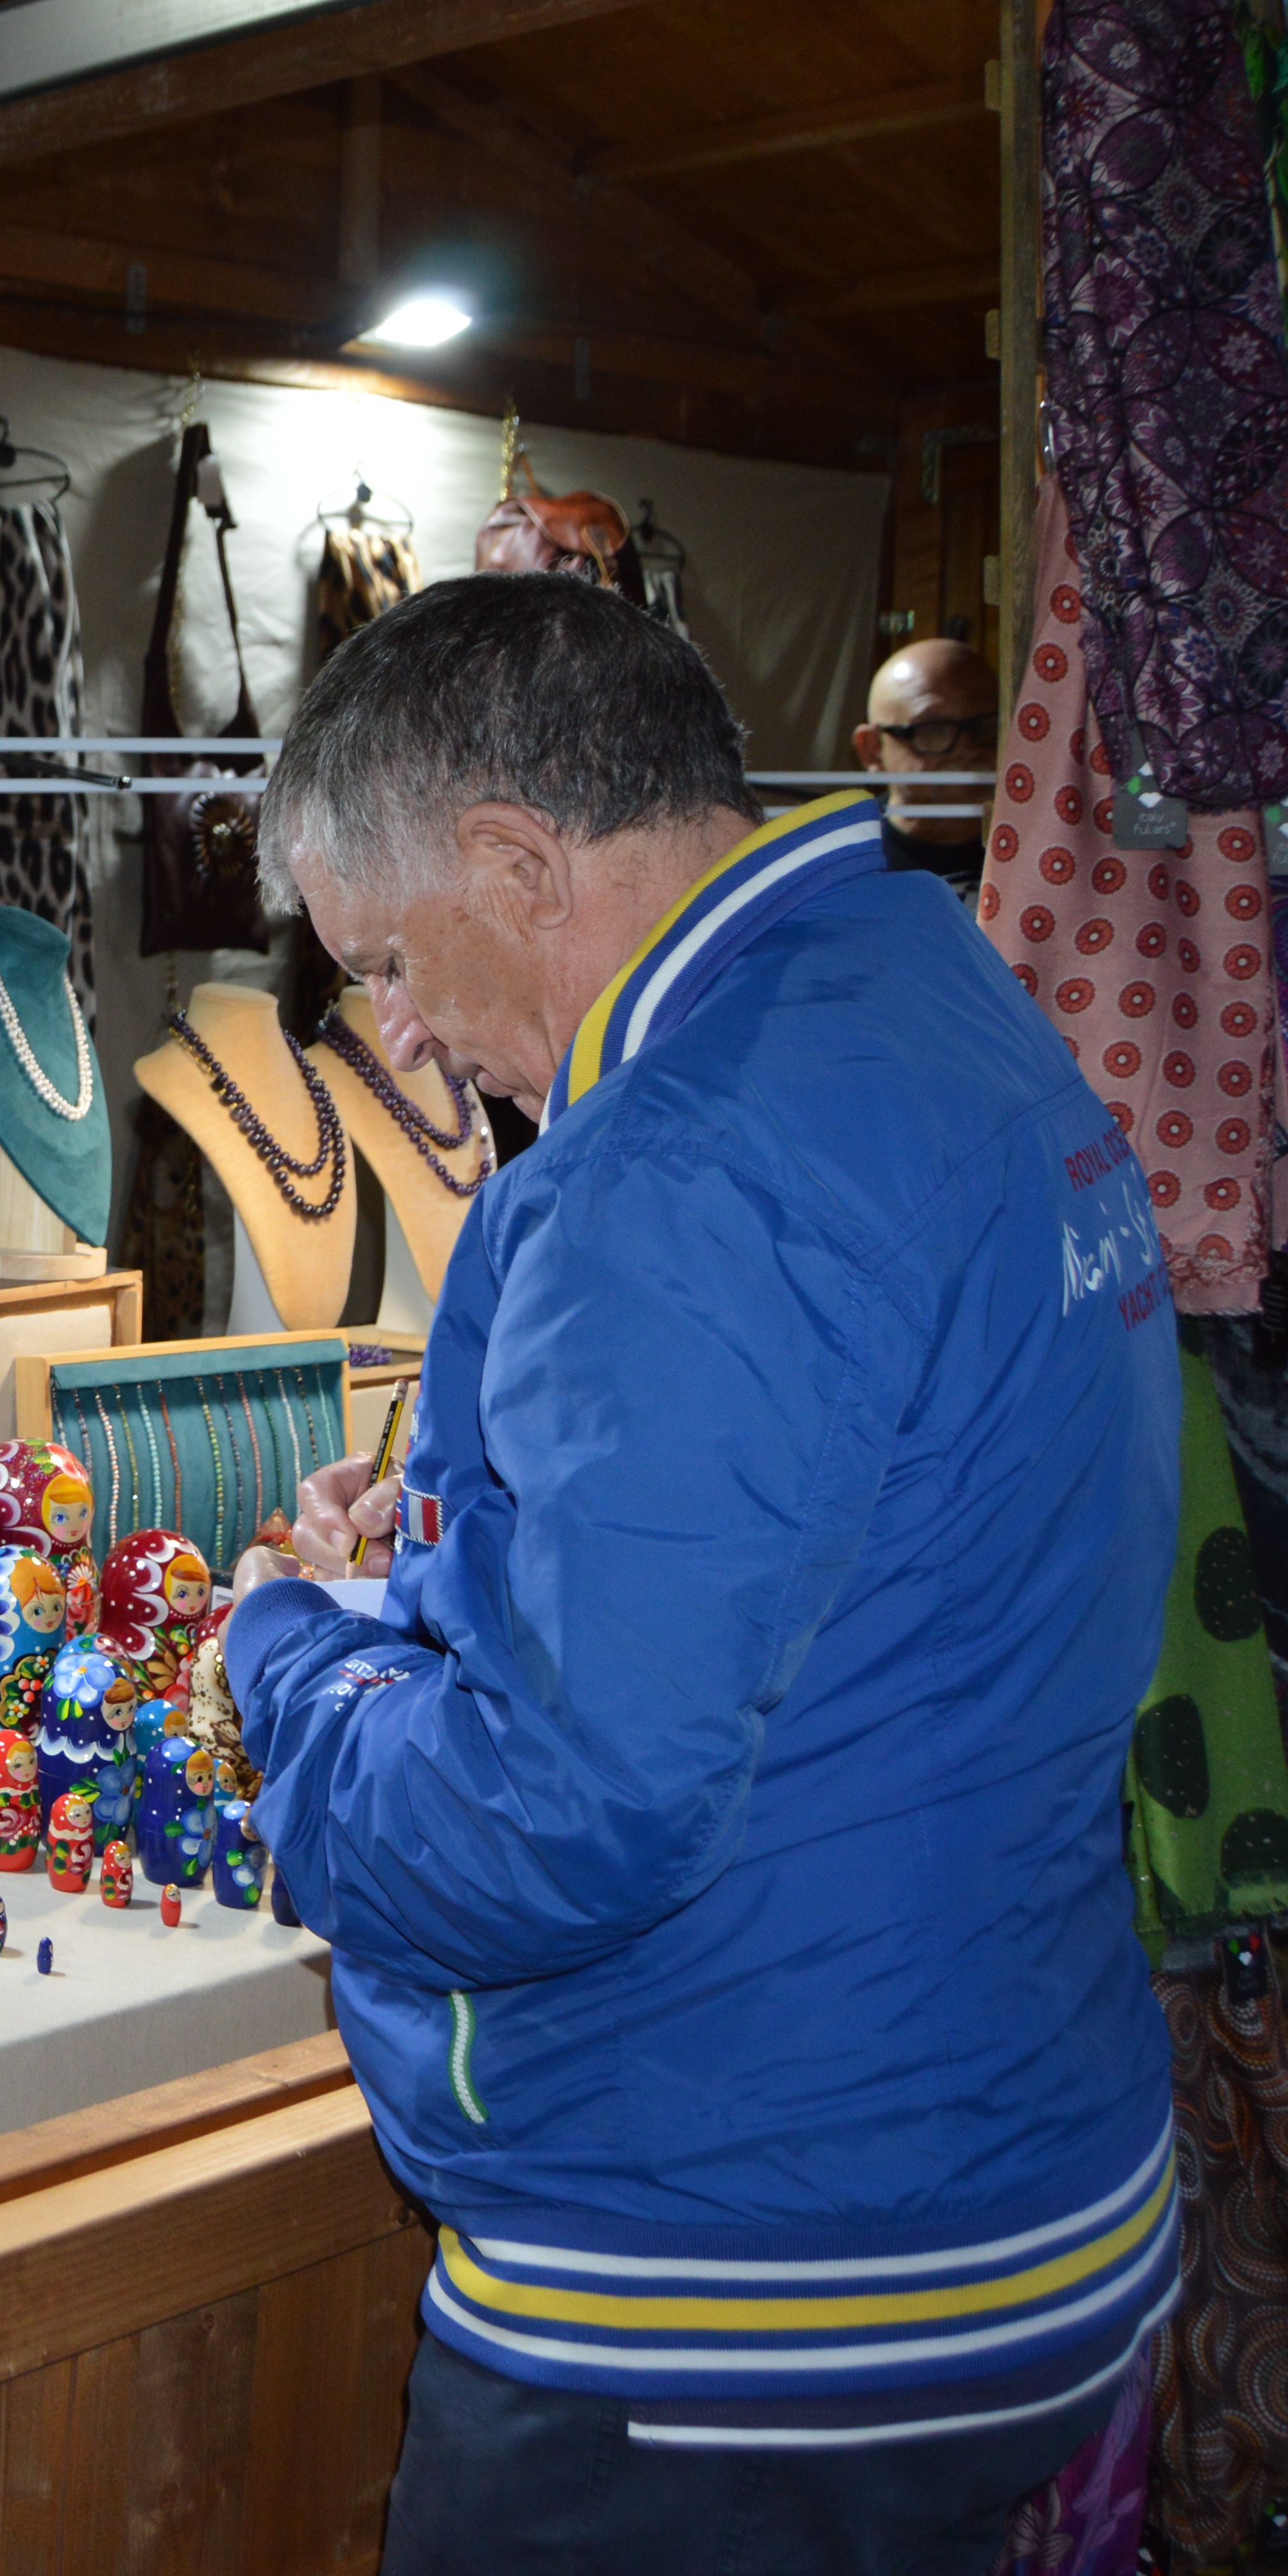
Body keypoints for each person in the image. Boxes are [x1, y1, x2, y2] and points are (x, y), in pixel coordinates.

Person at [230, 574, 1176, 2575]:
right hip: (1014, 2164)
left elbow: (551, 1815)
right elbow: (879, 1559)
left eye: (389, 957)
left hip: (738, 2303)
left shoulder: (681, 1154)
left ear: (513, 857)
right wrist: (479, 1569)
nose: (391, 1029)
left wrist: (294, 1663)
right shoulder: (921, 980)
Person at [850, 634, 998, 897]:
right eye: (934, 731)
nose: (968, 749)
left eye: (987, 728)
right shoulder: (840, 867)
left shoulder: (1046, 847)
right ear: (872, 749)